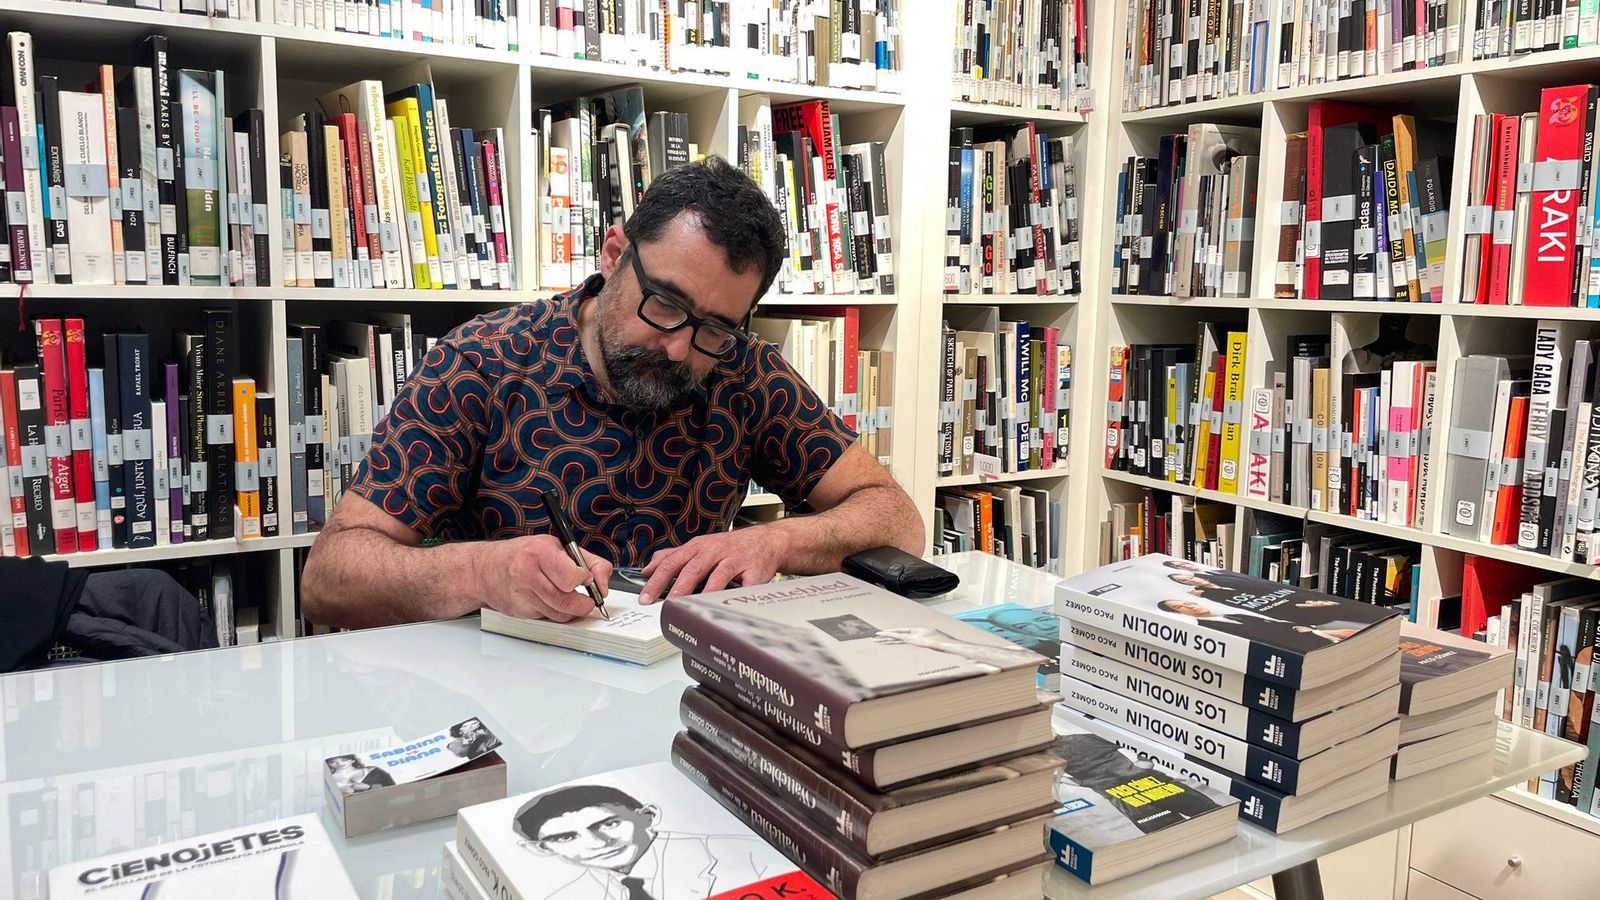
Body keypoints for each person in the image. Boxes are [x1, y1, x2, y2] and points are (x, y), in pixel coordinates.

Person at [300, 159, 923, 629]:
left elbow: (896, 517)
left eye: (712, 327)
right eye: (666, 305)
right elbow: (329, 578)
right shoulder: (485, 361)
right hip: (504, 699)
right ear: (615, 253)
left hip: (679, 693)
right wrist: (479, 571)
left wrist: (776, 540)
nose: (679, 348)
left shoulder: (744, 373)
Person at [513, 784, 779, 900]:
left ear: (649, 816)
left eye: (609, 824)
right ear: (539, 849)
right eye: (566, 837)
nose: (597, 843)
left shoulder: (753, 859)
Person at [326, 755, 395, 795]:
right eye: (333, 761)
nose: (339, 763)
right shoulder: (329, 778)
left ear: (352, 760)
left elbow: (392, 789)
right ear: (328, 764)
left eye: (344, 760)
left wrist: (370, 788)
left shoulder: (373, 771)